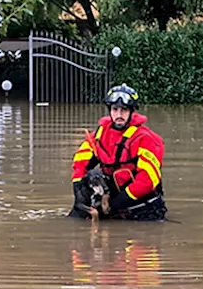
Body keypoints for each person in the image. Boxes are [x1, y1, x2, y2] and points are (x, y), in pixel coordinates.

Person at [69, 84, 168, 221]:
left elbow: (147, 180)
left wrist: (116, 204)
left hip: (142, 208)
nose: (119, 115)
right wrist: (78, 189)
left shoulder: (146, 139)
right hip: (111, 203)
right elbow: (80, 163)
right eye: (115, 110)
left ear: (132, 111)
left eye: (124, 110)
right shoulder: (99, 134)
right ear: (110, 110)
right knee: (90, 179)